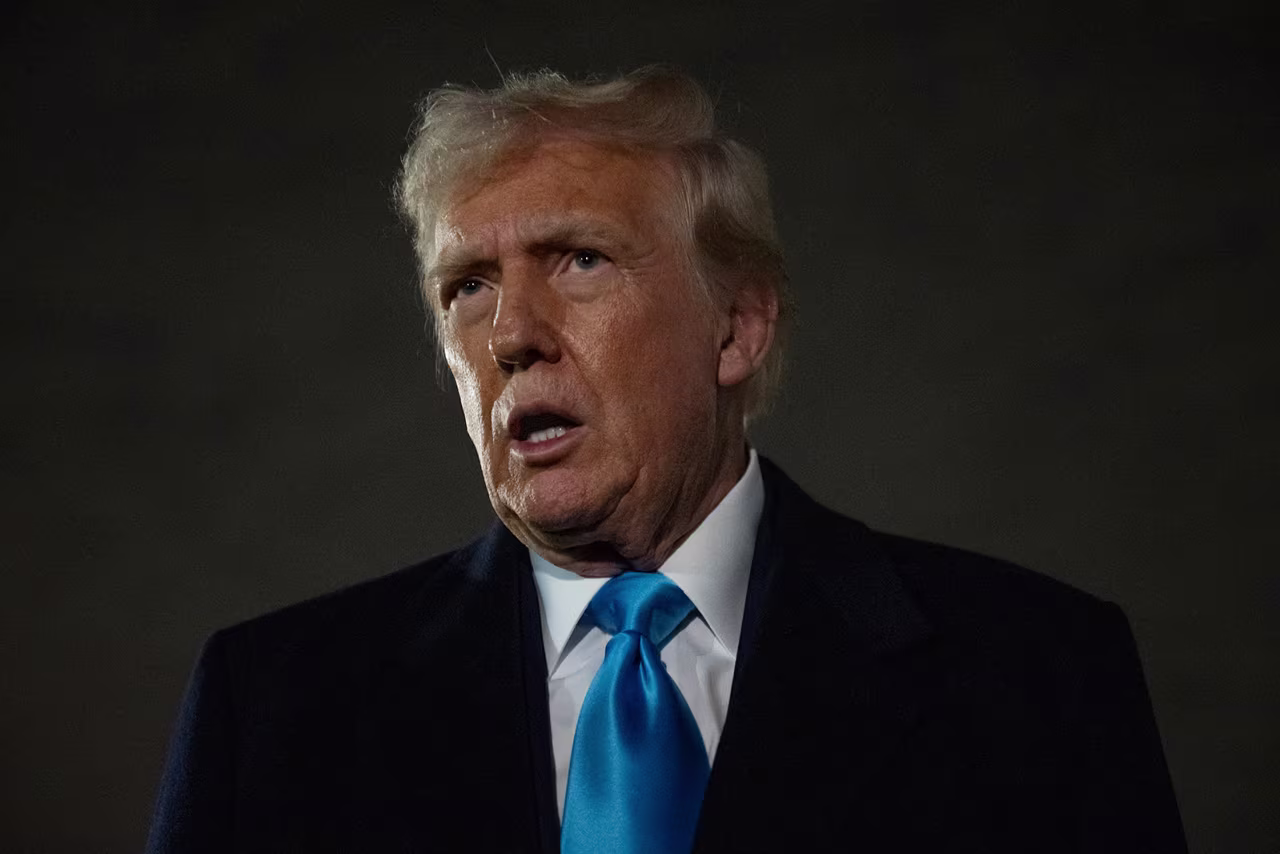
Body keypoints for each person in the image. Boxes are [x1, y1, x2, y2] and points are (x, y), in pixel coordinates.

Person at [146, 67, 1187, 853]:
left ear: (736, 327)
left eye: (578, 259)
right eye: (466, 285)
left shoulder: (1038, 673)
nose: (511, 332)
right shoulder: (277, 704)